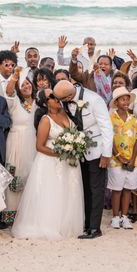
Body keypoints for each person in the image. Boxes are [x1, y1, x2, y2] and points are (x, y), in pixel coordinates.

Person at [12, 89, 85, 240]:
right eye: (52, 97)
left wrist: (75, 147)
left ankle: (67, 225)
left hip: (69, 162)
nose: (57, 99)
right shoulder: (46, 120)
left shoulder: (66, 114)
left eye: (57, 96)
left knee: (68, 190)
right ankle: (50, 225)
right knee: (53, 192)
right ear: (46, 103)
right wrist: (61, 153)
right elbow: (39, 146)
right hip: (51, 162)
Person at [53, 80, 113, 239]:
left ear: (69, 95)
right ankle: (86, 224)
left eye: (63, 100)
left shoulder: (94, 100)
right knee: (84, 188)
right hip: (79, 151)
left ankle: (95, 228)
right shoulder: (66, 100)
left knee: (96, 189)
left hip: (97, 151)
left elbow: (107, 127)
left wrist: (106, 154)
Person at [2, 67, 37, 225]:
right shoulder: (14, 102)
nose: (26, 86)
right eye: (23, 85)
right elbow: (9, 90)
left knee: (31, 176)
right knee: (14, 176)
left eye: (28, 83)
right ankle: (11, 216)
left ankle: (29, 213)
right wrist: (15, 76)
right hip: (16, 142)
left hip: (34, 144)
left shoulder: (38, 102)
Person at [108, 87, 137, 230]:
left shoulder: (133, 119)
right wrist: (118, 156)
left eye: (128, 99)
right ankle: (115, 217)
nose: (126, 101)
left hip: (131, 161)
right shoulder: (111, 118)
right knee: (117, 189)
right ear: (116, 102)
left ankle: (125, 216)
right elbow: (109, 139)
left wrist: (133, 158)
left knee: (128, 189)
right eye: (123, 99)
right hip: (115, 161)